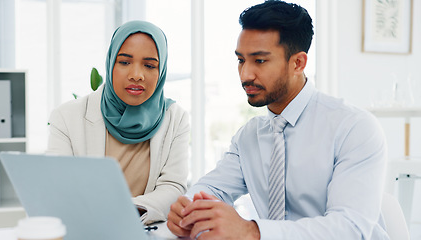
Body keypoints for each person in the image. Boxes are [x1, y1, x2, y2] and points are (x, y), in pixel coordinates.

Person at [167, 1, 389, 239]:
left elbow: (350, 228)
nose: (245, 74)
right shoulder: (249, 136)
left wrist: (251, 230)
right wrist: (189, 208)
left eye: (259, 61)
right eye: (241, 60)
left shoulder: (353, 128)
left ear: (298, 63)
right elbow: (212, 188)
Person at [46, 20, 189, 225]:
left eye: (149, 65)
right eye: (124, 62)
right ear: (111, 62)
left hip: (141, 228)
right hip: (85, 230)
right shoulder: (67, 116)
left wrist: (122, 212)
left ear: (161, 70)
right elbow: (58, 186)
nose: (136, 75)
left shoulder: (176, 118)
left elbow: (173, 188)